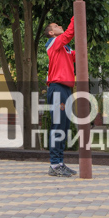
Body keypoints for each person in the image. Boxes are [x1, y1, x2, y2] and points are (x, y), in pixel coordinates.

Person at [44, 17, 76, 177]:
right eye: (56, 25)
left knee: (64, 126)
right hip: (57, 88)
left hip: (66, 89)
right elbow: (69, 34)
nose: (60, 26)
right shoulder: (53, 43)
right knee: (58, 125)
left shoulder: (66, 49)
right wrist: (76, 17)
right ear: (51, 32)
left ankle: (60, 163)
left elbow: (79, 56)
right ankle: (55, 164)